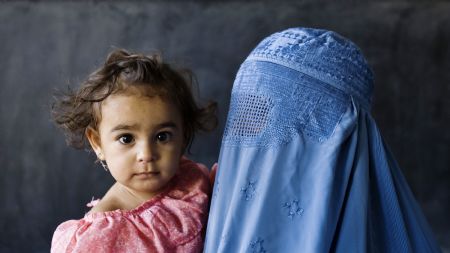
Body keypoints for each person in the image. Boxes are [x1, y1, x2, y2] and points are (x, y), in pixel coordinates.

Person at [204, 28, 441, 252]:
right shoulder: (188, 223)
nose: (248, 137)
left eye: (267, 118)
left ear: (344, 135)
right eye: (243, 116)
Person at [51, 49, 216, 252]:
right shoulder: (100, 238)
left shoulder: (191, 180)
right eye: (126, 138)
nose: (146, 154)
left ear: (183, 135)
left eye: (162, 136)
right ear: (98, 143)